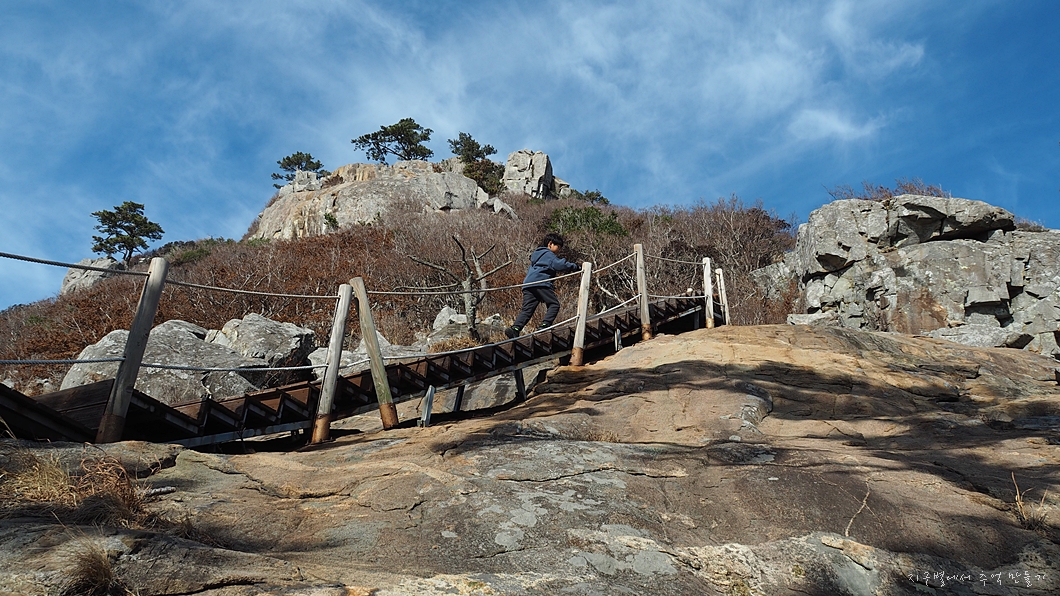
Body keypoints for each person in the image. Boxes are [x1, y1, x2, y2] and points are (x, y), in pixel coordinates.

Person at [505, 233, 581, 338]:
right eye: (558, 247)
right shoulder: (548, 254)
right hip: (541, 282)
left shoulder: (537, 255)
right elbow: (559, 265)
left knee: (527, 309)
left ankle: (515, 328)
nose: (559, 250)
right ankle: (545, 325)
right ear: (550, 244)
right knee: (554, 304)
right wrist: (576, 267)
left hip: (528, 284)